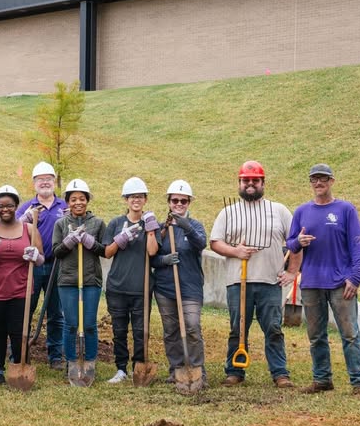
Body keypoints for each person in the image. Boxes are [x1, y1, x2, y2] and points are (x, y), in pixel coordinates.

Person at [210, 161, 297, 389]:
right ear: (239, 183)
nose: (250, 184)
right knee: (237, 329)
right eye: (245, 180)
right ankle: (234, 371)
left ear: (263, 183)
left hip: (270, 281)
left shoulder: (278, 210)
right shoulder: (228, 212)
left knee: (274, 329)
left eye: (255, 180)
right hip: (238, 282)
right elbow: (215, 242)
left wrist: (292, 271)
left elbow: (295, 242)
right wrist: (235, 251)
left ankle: (280, 373)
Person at [287, 164, 360, 396]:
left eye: (323, 179)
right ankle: (322, 379)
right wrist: (298, 242)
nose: (318, 183)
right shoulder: (302, 211)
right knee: (316, 335)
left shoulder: (345, 209)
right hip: (311, 283)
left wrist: (355, 278)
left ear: (332, 181)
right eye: (314, 179)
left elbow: (357, 244)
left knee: (350, 334)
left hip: (339, 284)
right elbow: (290, 243)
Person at [0, 185, 43, 385]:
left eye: (10, 205)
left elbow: (41, 257)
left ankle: (19, 364)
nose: (5, 209)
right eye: (1, 206)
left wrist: (35, 256)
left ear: (16, 206)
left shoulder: (29, 229)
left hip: (21, 289)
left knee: (18, 330)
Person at [102, 177, 160, 384]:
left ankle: (139, 366)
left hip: (141, 287)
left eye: (140, 196)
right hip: (117, 286)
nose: (136, 200)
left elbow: (152, 252)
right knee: (119, 330)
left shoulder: (151, 223)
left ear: (145, 200)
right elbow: (107, 252)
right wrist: (120, 239)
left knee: (140, 331)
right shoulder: (116, 223)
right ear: (126, 199)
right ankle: (120, 369)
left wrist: (151, 230)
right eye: (132, 196)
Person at [150, 180, 208, 386]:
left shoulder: (196, 226)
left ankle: (197, 369)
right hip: (165, 288)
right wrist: (164, 260)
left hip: (190, 287)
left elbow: (201, 244)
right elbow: (151, 257)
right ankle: (176, 369)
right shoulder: (160, 229)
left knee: (192, 326)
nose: (179, 204)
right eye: (175, 200)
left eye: (184, 201)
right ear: (169, 202)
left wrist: (186, 227)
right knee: (171, 330)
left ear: (189, 202)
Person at [15, 162, 68, 370]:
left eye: (48, 178)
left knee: (56, 313)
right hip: (32, 266)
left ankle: (55, 355)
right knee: (26, 309)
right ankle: (20, 352)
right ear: (34, 183)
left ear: (54, 182)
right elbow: (11, 231)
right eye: (40, 179)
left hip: (58, 265)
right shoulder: (26, 207)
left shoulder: (64, 206)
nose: (44, 182)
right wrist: (23, 220)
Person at [53, 179, 107, 379]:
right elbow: (56, 252)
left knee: (90, 323)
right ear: (67, 202)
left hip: (91, 280)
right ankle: (72, 361)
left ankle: (90, 361)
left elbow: (104, 250)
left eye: (82, 199)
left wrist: (89, 242)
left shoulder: (98, 223)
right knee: (71, 323)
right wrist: (69, 241)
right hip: (67, 281)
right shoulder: (61, 224)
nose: (78, 202)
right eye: (73, 199)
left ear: (87, 201)